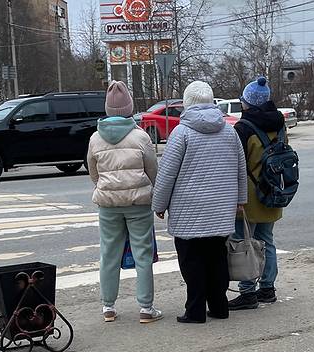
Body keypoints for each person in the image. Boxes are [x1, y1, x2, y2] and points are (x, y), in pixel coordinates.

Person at [152, 81, 247, 324]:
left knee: (191, 262)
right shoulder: (229, 131)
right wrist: (240, 200)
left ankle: (194, 311)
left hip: (188, 209)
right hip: (221, 209)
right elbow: (240, 168)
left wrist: (159, 205)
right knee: (217, 258)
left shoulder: (181, 133)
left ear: (187, 103)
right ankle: (219, 306)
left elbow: (167, 173)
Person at [87, 81, 163, 324]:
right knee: (142, 253)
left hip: (108, 203)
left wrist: (105, 186)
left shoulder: (95, 138)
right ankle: (146, 308)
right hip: (138, 203)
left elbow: (93, 172)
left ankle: (108, 306)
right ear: (130, 107)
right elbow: (153, 170)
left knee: (109, 253)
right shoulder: (140, 136)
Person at [228, 76, 285, 310]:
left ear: (248, 103)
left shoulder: (243, 128)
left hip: (250, 195)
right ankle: (268, 288)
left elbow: (236, 164)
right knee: (267, 241)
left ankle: (247, 291)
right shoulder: (279, 123)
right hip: (272, 189)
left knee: (246, 242)